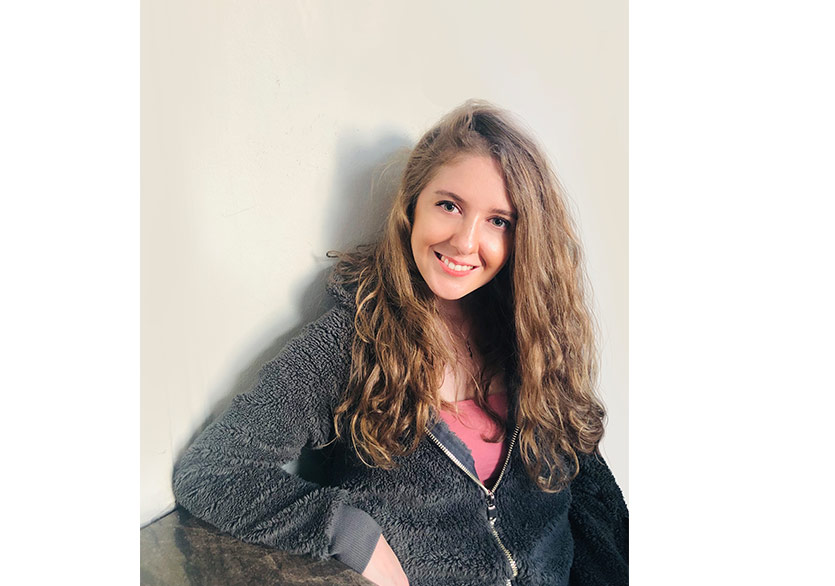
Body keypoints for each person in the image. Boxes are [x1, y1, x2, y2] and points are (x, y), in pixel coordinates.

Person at [173, 100, 628, 586]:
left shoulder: (534, 336)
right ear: (412, 205)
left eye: (498, 220)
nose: (465, 242)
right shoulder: (351, 342)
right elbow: (212, 470)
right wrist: (347, 532)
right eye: (449, 206)